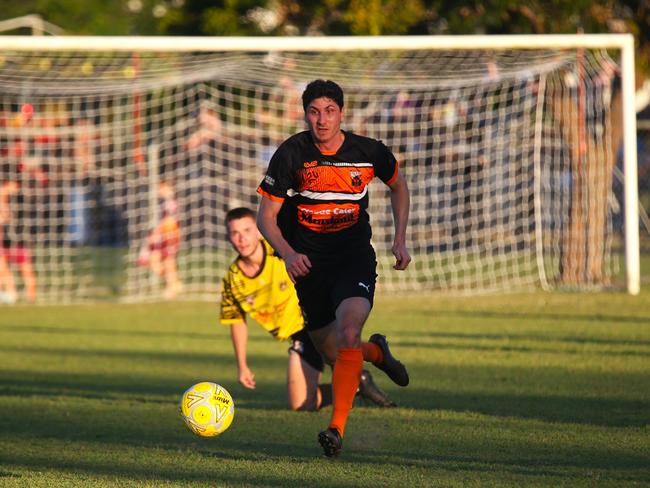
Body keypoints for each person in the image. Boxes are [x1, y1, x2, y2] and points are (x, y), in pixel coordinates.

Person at [256, 79, 411, 457]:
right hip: (308, 266)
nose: (321, 119)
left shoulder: (369, 151)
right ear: (305, 114)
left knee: (348, 329)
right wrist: (289, 254)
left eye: (329, 111)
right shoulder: (292, 153)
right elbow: (266, 218)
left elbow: (399, 186)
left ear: (341, 113)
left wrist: (400, 238)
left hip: (352, 256)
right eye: (314, 111)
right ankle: (376, 352)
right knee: (335, 351)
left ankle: (336, 429)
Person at [220, 207, 396, 412]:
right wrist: (242, 365)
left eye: (247, 230)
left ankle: (374, 356)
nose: (242, 239)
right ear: (229, 237)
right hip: (300, 338)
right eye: (235, 233)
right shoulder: (232, 280)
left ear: (259, 231)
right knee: (302, 404)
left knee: (342, 357)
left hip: (318, 320)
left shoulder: (283, 251)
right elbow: (237, 322)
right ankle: (359, 384)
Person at [137, 180, 183, 299]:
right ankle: (175, 283)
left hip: (169, 236)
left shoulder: (170, 202)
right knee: (154, 262)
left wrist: (157, 233)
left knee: (168, 262)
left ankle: (172, 288)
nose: (160, 190)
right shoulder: (161, 203)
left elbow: (170, 222)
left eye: (162, 188)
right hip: (161, 236)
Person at [0, 180, 37, 303]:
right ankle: (11, 295)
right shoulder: (5, 199)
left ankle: (31, 299)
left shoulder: (21, 199)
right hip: (6, 239)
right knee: (2, 268)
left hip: (21, 239)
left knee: (26, 270)